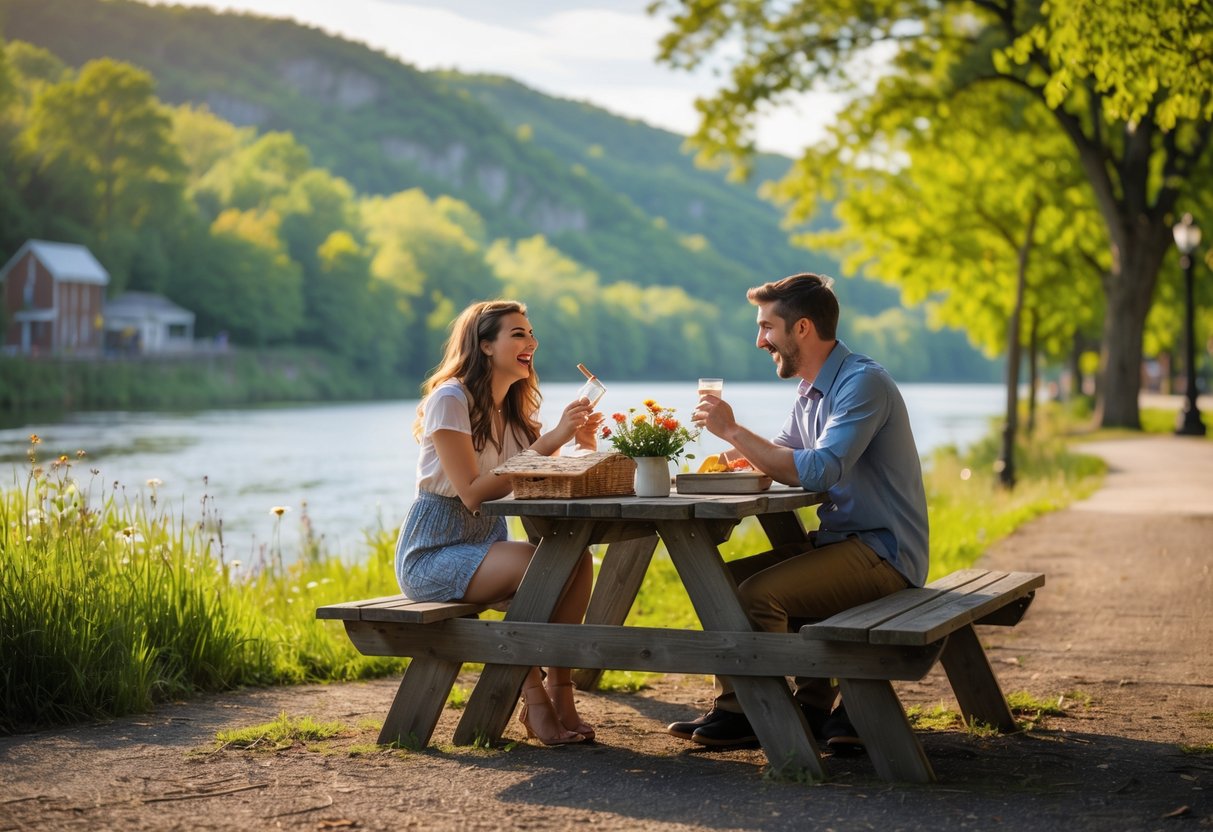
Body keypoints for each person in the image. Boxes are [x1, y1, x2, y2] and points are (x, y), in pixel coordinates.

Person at [669, 273, 929, 753]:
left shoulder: (862, 383)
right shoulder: (810, 390)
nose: (759, 339)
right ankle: (763, 708)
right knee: (719, 581)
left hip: (884, 552)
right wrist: (697, 466)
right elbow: (783, 451)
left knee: (757, 595)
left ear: (803, 329)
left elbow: (819, 469)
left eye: (767, 327)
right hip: (845, 545)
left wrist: (732, 430)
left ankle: (762, 713)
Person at [395, 299, 603, 746]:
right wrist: (549, 440)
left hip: (489, 545)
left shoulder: (513, 413)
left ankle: (558, 689)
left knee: (577, 559)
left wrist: (581, 444)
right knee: (540, 564)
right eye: (519, 334)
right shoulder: (450, 398)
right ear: (485, 345)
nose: (532, 342)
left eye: (531, 334)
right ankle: (534, 701)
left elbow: (538, 479)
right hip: (434, 552)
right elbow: (472, 492)